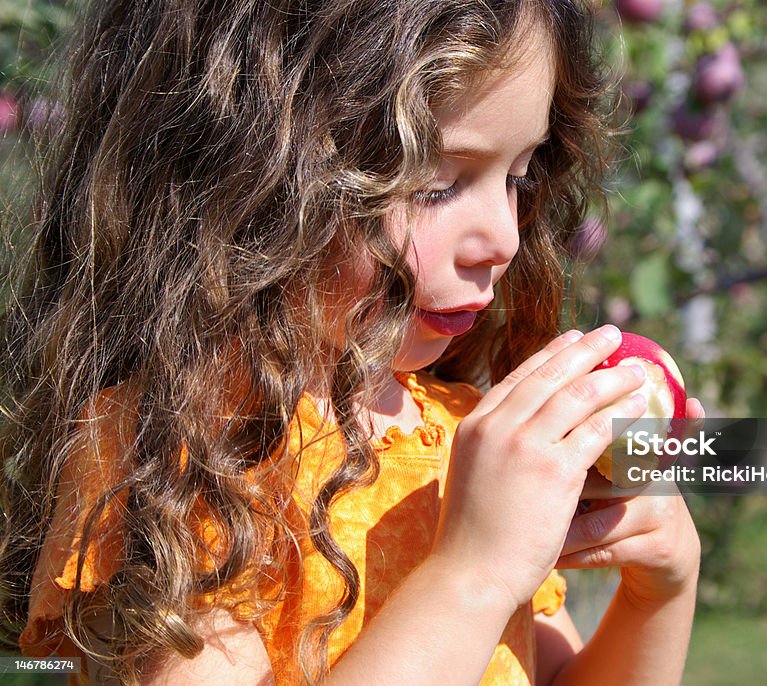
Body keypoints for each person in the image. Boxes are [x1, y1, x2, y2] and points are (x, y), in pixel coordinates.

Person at [0, 1, 704, 684]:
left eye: (519, 178)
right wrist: (473, 575)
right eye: (433, 185)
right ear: (250, 184)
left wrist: (658, 593)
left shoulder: (462, 439)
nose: (505, 238)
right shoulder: (190, 462)